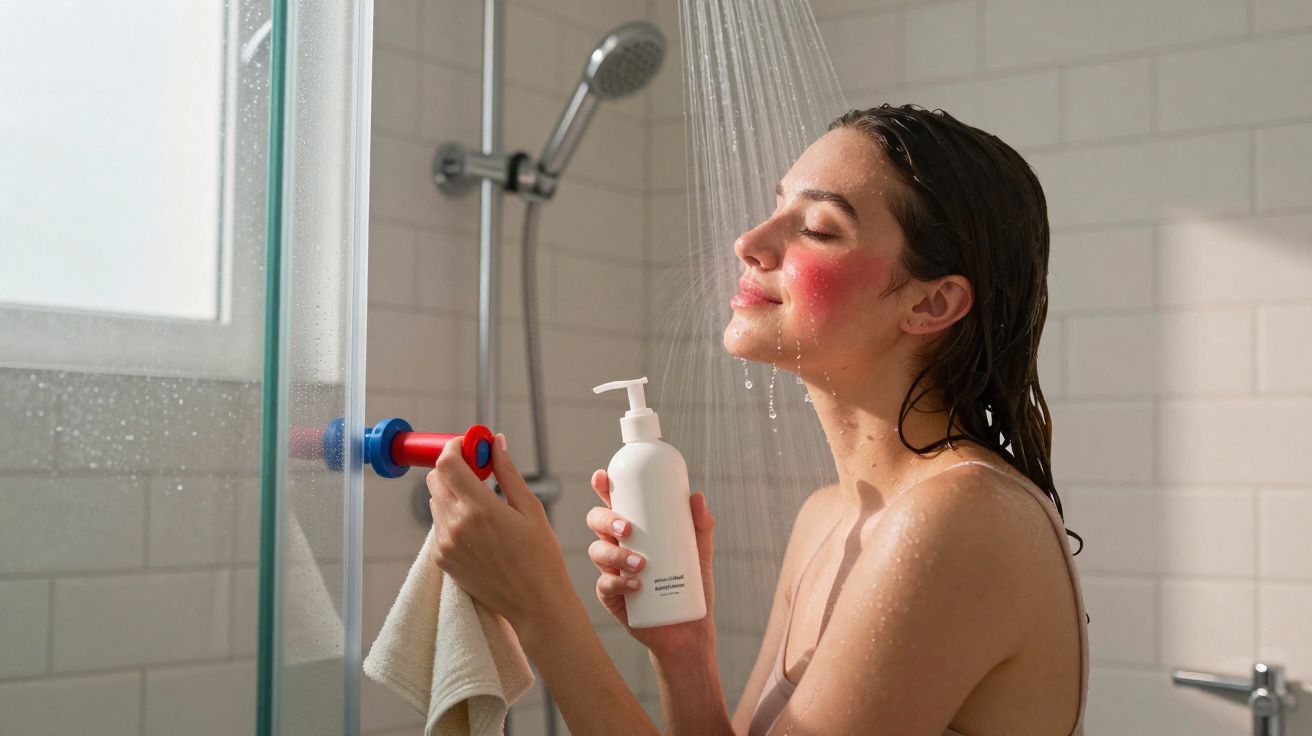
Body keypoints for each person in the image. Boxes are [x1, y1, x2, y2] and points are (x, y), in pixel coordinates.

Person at [427, 104, 1087, 735]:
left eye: (820, 229)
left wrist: (541, 608)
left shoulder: (959, 516)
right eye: (778, 208)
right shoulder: (829, 516)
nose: (749, 243)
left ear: (933, 302)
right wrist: (683, 651)